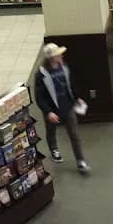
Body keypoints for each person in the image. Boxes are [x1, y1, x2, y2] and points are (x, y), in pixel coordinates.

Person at [34, 43, 90, 174]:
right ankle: (54, 149)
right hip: (53, 110)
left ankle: (80, 161)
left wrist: (76, 98)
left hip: (68, 107)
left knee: (74, 135)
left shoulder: (64, 67)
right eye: (58, 54)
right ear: (51, 58)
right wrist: (48, 112)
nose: (61, 55)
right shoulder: (41, 74)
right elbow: (39, 96)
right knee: (51, 130)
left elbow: (69, 85)